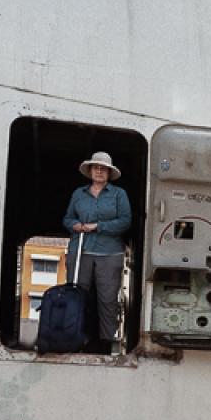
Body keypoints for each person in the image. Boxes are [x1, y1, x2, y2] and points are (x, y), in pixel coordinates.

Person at [62, 151, 133, 353]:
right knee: (76, 296)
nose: (99, 171)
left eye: (103, 169)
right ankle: (74, 337)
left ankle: (105, 343)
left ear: (109, 173)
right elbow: (67, 219)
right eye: (96, 167)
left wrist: (97, 226)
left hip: (109, 253)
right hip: (80, 250)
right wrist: (75, 225)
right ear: (90, 171)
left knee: (108, 299)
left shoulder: (119, 194)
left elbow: (125, 222)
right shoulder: (78, 193)